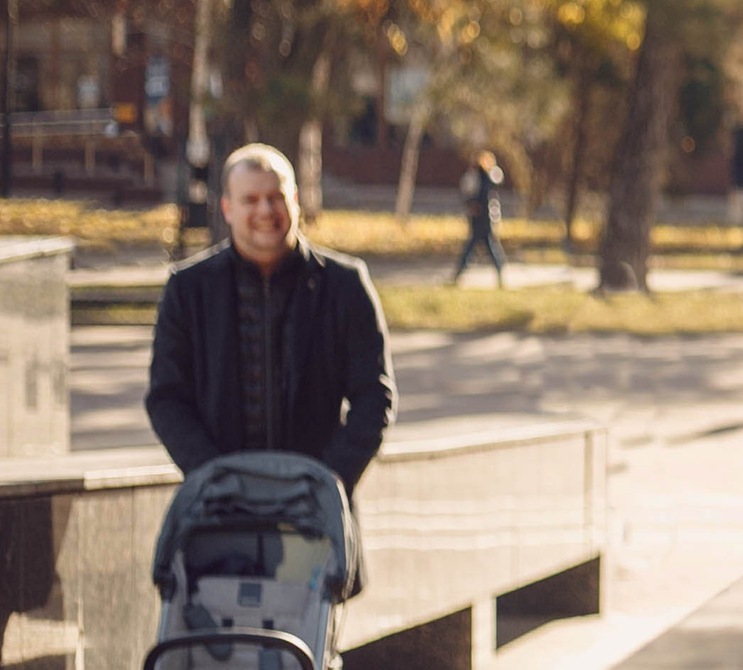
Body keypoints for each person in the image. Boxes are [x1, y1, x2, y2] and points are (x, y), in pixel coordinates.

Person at [146, 142, 396, 495]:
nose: (265, 210)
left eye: (276, 197)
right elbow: (167, 398)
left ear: (295, 200)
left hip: (317, 504)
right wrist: (213, 477)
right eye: (250, 200)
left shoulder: (344, 285)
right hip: (220, 505)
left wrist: (330, 479)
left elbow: (374, 396)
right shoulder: (188, 289)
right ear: (227, 208)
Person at [451, 150, 508, 287]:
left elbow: (498, 178)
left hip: (487, 218)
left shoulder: (490, 177)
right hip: (477, 217)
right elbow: (467, 193)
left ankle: (500, 271)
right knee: (478, 246)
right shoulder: (474, 176)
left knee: (487, 246)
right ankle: (460, 273)